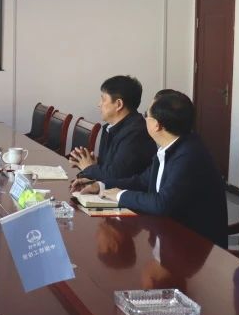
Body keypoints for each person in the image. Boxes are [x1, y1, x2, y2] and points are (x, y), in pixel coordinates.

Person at [72, 89, 228, 247]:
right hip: (168, 235)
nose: (143, 119)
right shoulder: (172, 146)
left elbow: (162, 203)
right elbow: (142, 181)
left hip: (195, 245)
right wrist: (101, 186)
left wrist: (119, 195)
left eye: (147, 115)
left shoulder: (188, 155)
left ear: (157, 125)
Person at [67, 75, 155, 183]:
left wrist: (88, 168)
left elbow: (116, 175)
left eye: (103, 99)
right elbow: (112, 167)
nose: (99, 104)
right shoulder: (111, 127)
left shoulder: (136, 133)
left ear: (118, 104)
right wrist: (91, 163)